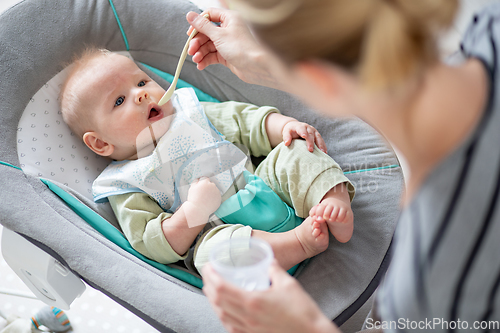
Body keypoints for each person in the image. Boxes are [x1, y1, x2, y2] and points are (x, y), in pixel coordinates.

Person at [186, 0, 500, 332]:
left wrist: (306, 327)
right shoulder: (491, 24)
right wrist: (270, 63)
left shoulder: (431, 290)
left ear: (318, 79)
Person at [59, 48, 355, 274]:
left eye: (141, 81)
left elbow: (244, 121)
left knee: (295, 151)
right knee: (209, 255)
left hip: (263, 183)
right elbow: (152, 242)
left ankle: (331, 199)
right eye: (119, 101)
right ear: (100, 143)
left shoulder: (191, 114)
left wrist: (283, 126)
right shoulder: (125, 183)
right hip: (218, 231)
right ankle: (297, 244)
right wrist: (193, 211)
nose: (141, 95)